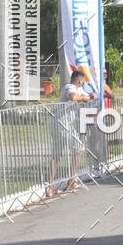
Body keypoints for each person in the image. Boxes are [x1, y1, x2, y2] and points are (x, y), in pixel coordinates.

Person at [47, 70, 91, 198]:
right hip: (62, 125)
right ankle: (71, 180)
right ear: (79, 81)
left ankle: (50, 187)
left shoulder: (73, 87)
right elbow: (74, 97)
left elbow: (85, 95)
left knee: (56, 156)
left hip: (60, 124)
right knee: (79, 149)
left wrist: (89, 97)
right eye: (82, 82)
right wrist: (83, 98)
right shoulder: (70, 87)